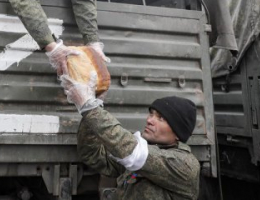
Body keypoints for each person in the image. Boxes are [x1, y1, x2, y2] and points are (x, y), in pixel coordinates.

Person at [60, 74, 200, 199]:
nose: (150, 120)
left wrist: (89, 107)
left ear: (178, 132)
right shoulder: (142, 155)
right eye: (151, 114)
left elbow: (132, 152)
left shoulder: (184, 165)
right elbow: (92, 155)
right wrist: (95, 103)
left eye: (161, 118)